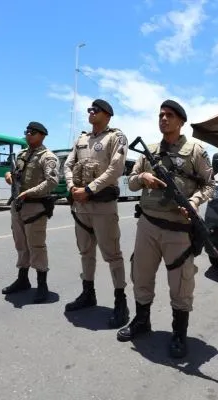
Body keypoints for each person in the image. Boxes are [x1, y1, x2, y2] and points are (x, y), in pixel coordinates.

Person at [116, 99, 215, 358]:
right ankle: (141, 321)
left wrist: (193, 201)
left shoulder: (195, 150)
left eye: (169, 115)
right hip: (148, 225)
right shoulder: (147, 150)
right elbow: (132, 182)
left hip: (179, 228)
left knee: (181, 284)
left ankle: (179, 334)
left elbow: (210, 185)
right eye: (160, 115)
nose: (163, 119)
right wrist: (142, 177)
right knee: (141, 275)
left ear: (181, 121)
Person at [63, 99, 130, 329]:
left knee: (112, 254)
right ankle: (88, 293)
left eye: (95, 110)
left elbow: (116, 169)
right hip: (80, 205)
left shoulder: (116, 137)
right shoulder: (81, 139)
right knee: (85, 252)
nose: (90, 112)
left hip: (102, 205)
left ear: (108, 115)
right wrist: (73, 187)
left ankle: (121, 302)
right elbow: (68, 166)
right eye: (89, 110)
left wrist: (89, 189)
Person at [1, 121, 59, 304]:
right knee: (21, 244)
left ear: (42, 135)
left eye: (32, 132)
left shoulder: (48, 157)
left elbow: (52, 181)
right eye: (27, 132)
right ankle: (23, 279)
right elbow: (15, 173)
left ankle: (42, 285)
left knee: (37, 246)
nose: (28, 135)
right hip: (18, 206)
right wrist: (8, 176)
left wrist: (30, 192)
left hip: (35, 207)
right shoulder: (21, 154)